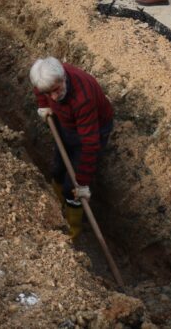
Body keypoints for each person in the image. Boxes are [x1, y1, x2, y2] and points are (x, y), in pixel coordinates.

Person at [30, 57, 114, 239]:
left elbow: (90, 145)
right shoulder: (46, 78)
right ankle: (58, 210)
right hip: (66, 122)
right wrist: (43, 105)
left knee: (72, 188)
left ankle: (72, 231)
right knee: (57, 170)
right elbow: (40, 89)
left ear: (63, 79)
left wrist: (82, 183)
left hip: (93, 129)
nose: (53, 96)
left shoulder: (83, 98)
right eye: (48, 93)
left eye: (56, 90)